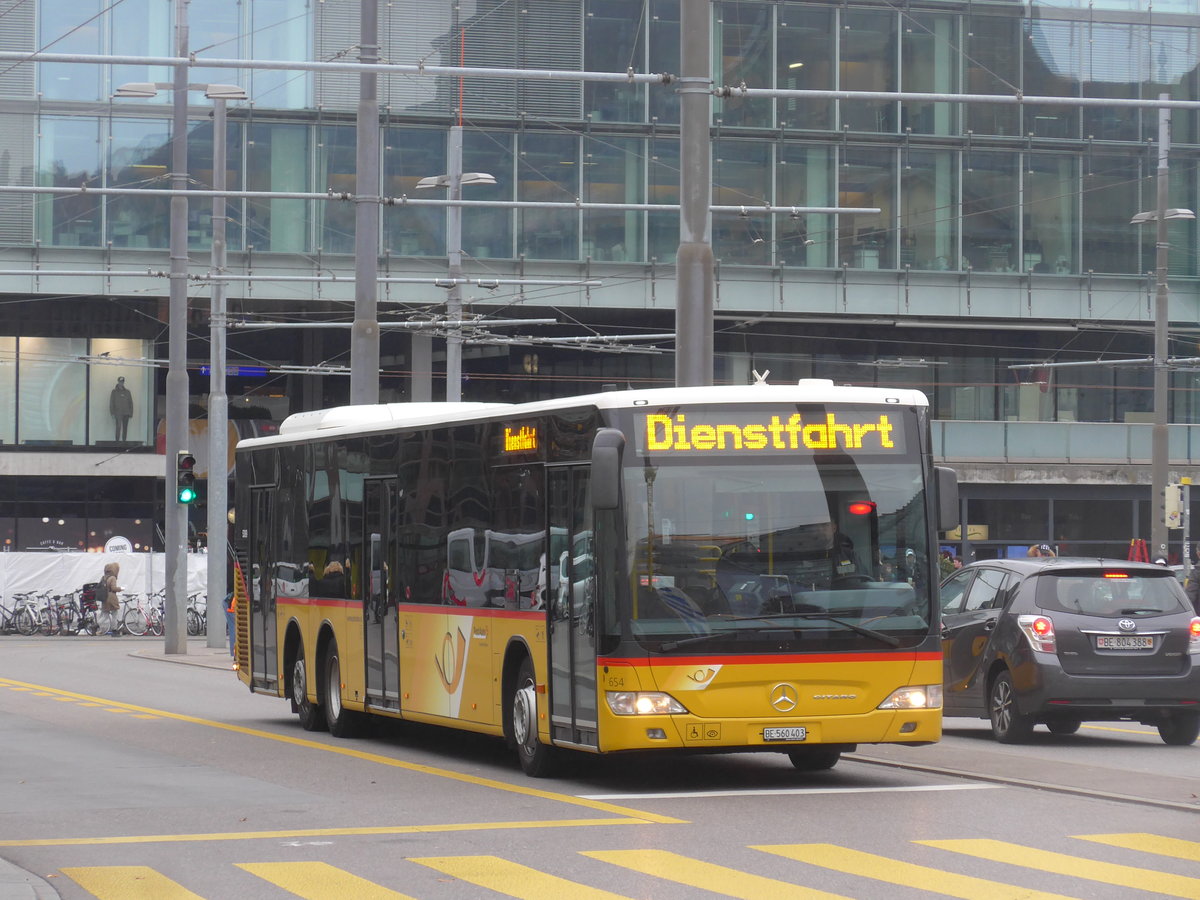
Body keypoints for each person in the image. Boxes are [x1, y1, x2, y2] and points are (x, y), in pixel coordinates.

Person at [97, 561, 122, 636]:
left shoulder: (104, 577)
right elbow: (113, 588)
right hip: (111, 598)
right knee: (114, 614)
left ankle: (96, 626)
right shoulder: (113, 578)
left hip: (104, 598)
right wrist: (120, 588)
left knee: (104, 615)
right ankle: (114, 631)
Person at [109, 376, 133, 442]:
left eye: (122, 382)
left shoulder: (127, 392)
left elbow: (130, 403)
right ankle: (117, 442)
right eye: (120, 382)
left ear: (123, 382)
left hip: (126, 413)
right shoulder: (114, 392)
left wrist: (131, 413)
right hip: (118, 413)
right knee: (118, 427)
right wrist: (112, 413)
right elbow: (111, 402)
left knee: (125, 428)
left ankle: (124, 442)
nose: (121, 383)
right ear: (118, 382)